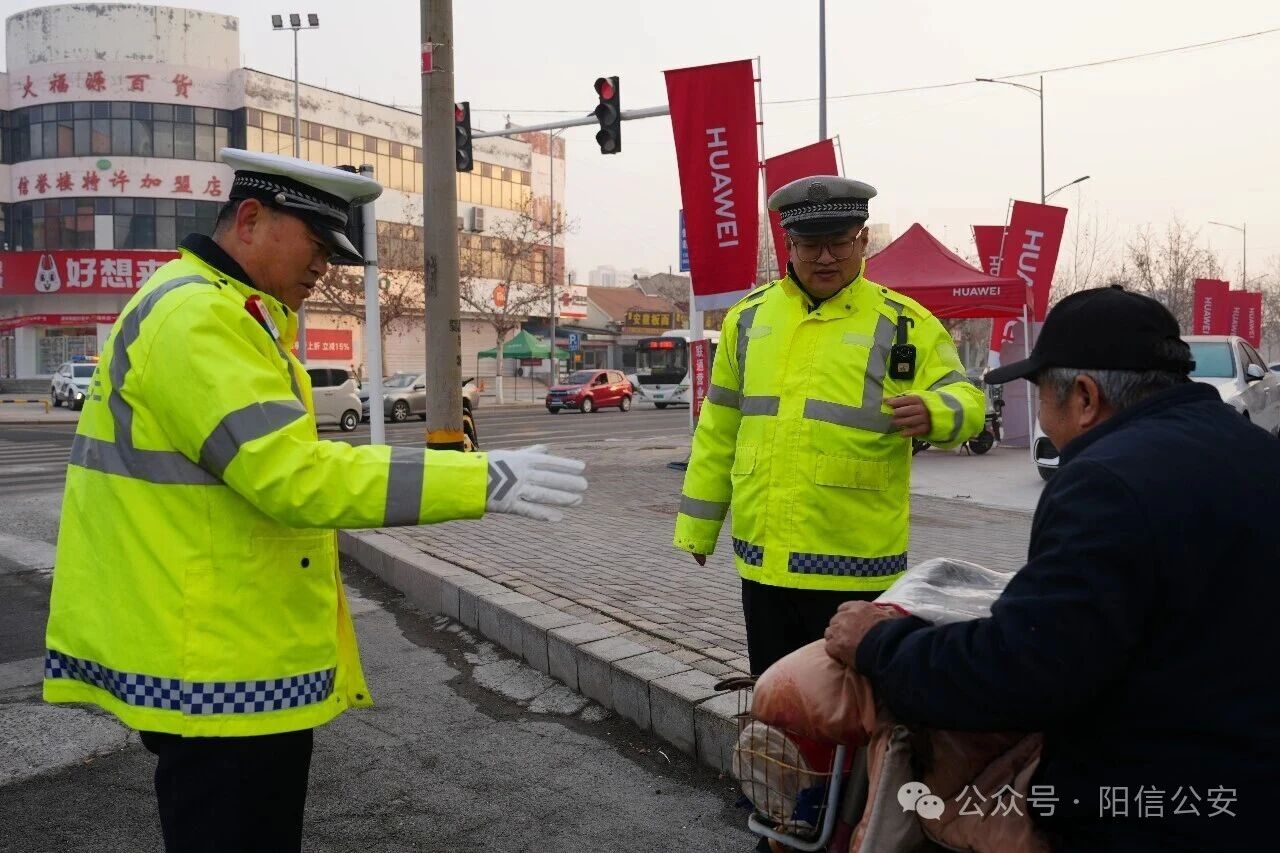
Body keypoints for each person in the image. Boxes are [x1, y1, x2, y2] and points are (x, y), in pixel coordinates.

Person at [43, 149, 588, 852]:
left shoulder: (226, 311)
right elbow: (295, 476)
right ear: (250, 218)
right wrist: (481, 480)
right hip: (211, 664)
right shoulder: (197, 320)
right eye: (316, 242)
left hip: (217, 652)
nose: (325, 266)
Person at [826, 286, 1278, 851]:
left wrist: (880, 644)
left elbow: (1021, 673)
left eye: (1042, 396)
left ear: (1084, 398)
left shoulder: (1105, 483)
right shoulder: (1255, 452)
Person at [673, 175, 985, 676]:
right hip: (766, 562)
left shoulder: (905, 323)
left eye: (839, 243)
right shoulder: (748, 320)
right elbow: (719, 429)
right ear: (788, 246)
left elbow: (968, 397)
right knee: (777, 705)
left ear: (863, 239)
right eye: (810, 245)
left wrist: (937, 411)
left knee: (851, 714)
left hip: (857, 566)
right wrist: (697, 526)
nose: (825, 258)